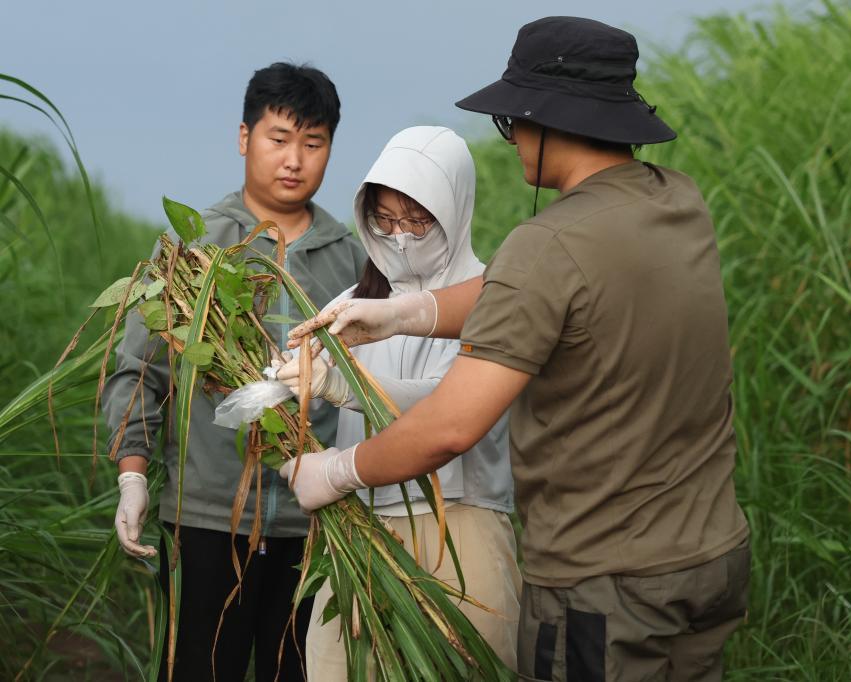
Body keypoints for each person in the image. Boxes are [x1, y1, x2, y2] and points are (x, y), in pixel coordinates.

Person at [285, 16, 750, 682]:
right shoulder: (676, 201)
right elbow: (543, 297)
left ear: (547, 120)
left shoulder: (548, 246)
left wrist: (337, 470)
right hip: (710, 559)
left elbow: (450, 428)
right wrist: (405, 314)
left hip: (606, 584)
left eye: (512, 123)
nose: (512, 141)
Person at [102, 62, 366, 681]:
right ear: (244, 137)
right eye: (278, 138)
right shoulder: (196, 248)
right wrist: (133, 476)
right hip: (207, 516)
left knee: (301, 670)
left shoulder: (353, 260)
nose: (294, 159)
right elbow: (139, 369)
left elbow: (369, 387)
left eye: (313, 142)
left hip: (318, 522)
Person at [274, 126, 520, 678]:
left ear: (454, 210)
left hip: (457, 524)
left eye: (416, 221)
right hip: (361, 524)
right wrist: (276, 382)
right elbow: (303, 363)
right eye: (385, 221)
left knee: (461, 665)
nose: (401, 237)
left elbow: (449, 403)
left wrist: (347, 388)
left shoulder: (491, 294)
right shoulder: (355, 300)